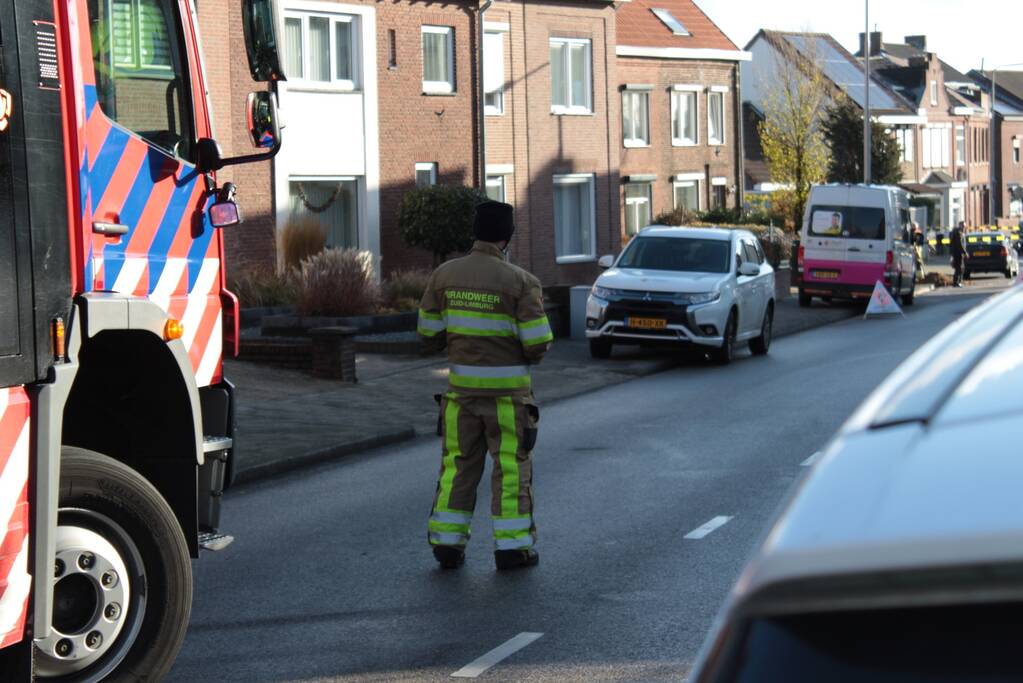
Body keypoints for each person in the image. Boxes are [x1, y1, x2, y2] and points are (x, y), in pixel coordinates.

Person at [418, 201, 553, 571]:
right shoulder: (522, 283)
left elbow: (428, 334)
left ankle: (447, 545)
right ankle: (512, 550)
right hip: (508, 402)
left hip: (460, 399)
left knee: (457, 469)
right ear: (507, 236)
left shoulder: (443, 276)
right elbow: (538, 343)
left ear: (474, 232)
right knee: (510, 471)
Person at [951, 221, 968, 287]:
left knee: (959, 268)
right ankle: (956, 282)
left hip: (957, 253)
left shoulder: (960, 233)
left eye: (965, 226)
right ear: (960, 226)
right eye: (963, 226)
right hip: (958, 253)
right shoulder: (959, 233)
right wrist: (964, 252)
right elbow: (960, 244)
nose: (964, 227)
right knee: (959, 268)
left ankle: (957, 282)